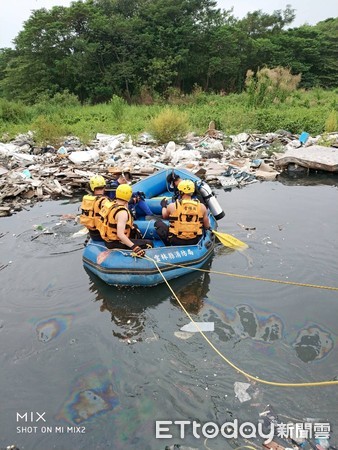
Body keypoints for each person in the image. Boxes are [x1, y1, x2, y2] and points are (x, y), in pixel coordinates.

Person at [98, 184, 153, 256]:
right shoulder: (122, 213)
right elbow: (120, 234)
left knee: (134, 228)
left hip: (108, 239)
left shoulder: (111, 204)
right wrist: (135, 247)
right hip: (116, 243)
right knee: (149, 243)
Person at [157, 179, 210, 246]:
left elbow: (165, 216)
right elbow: (207, 226)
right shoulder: (202, 207)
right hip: (194, 239)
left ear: (180, 192)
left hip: (176, 240)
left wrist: (164, 206)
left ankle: (167, 245)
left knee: (158, 223)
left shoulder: (172, 206)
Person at [79, 175, 107, 241]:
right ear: (104, 188)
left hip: (92, 233)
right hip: (102, 235)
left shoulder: (86, 199)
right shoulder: (104, 201)